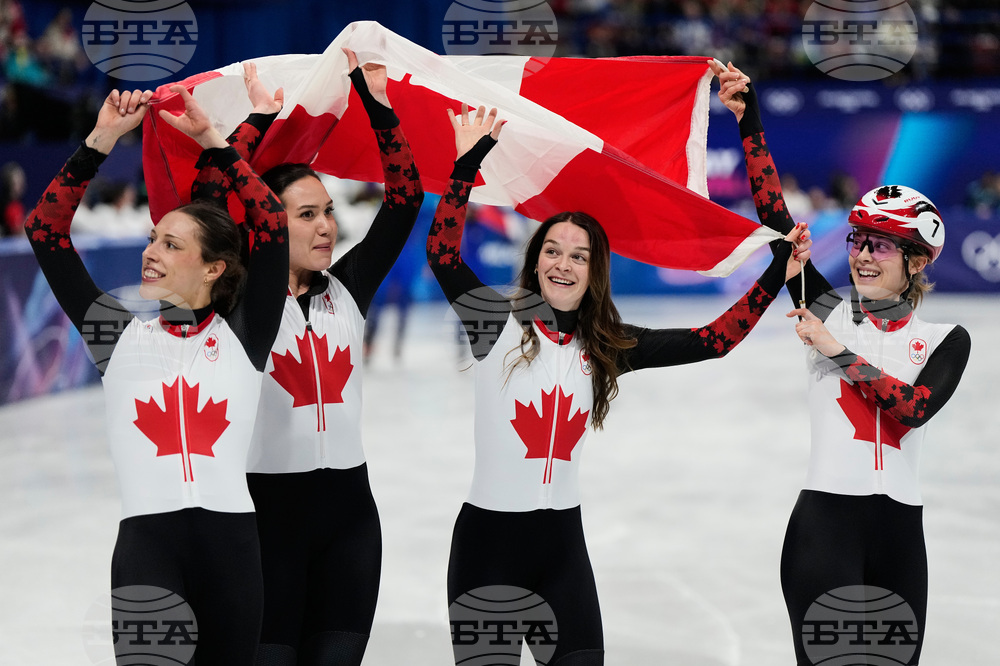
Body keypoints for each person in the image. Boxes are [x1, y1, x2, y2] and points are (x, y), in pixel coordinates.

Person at [427, 104, 810, 665]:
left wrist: (779, 271)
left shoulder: (607, 345)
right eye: (552, 251)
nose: (563, 264)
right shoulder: (496, 324)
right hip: (488, 552)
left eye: (578, 256)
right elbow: (442, 253)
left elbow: (714, 340)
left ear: (594, 271)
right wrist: (468, 165)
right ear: (535, 262)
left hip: (562, 553)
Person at [712, 60, 972, 665]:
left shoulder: (946, 338)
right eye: (857, 240)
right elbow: (776, 219)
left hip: (900, 540)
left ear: (917, 261)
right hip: (824, 529)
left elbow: (912, 411)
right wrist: (748, 118)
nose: (862, 255)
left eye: (880, 244)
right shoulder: (827, 311)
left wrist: (840, 355)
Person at [24, 82, 288, 664]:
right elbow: (45, 231)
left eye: (170, 244)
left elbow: (270, 224)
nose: (152, 253)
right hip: (150, 552)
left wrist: (213, 140)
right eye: (152, 240)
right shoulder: (116, 337)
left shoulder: (244, 336)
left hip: (234, 554)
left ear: (215, 267)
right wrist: (101, 141)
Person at [209, 49, 422, 665]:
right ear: (270, 225)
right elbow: (213, 199)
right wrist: (256, 121)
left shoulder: (349, 289)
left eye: (329, 211)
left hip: (351, 522)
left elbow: (403, 200)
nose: (327, 225)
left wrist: (378, 106)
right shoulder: (236, 298)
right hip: (266, 522)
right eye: (308, 215)